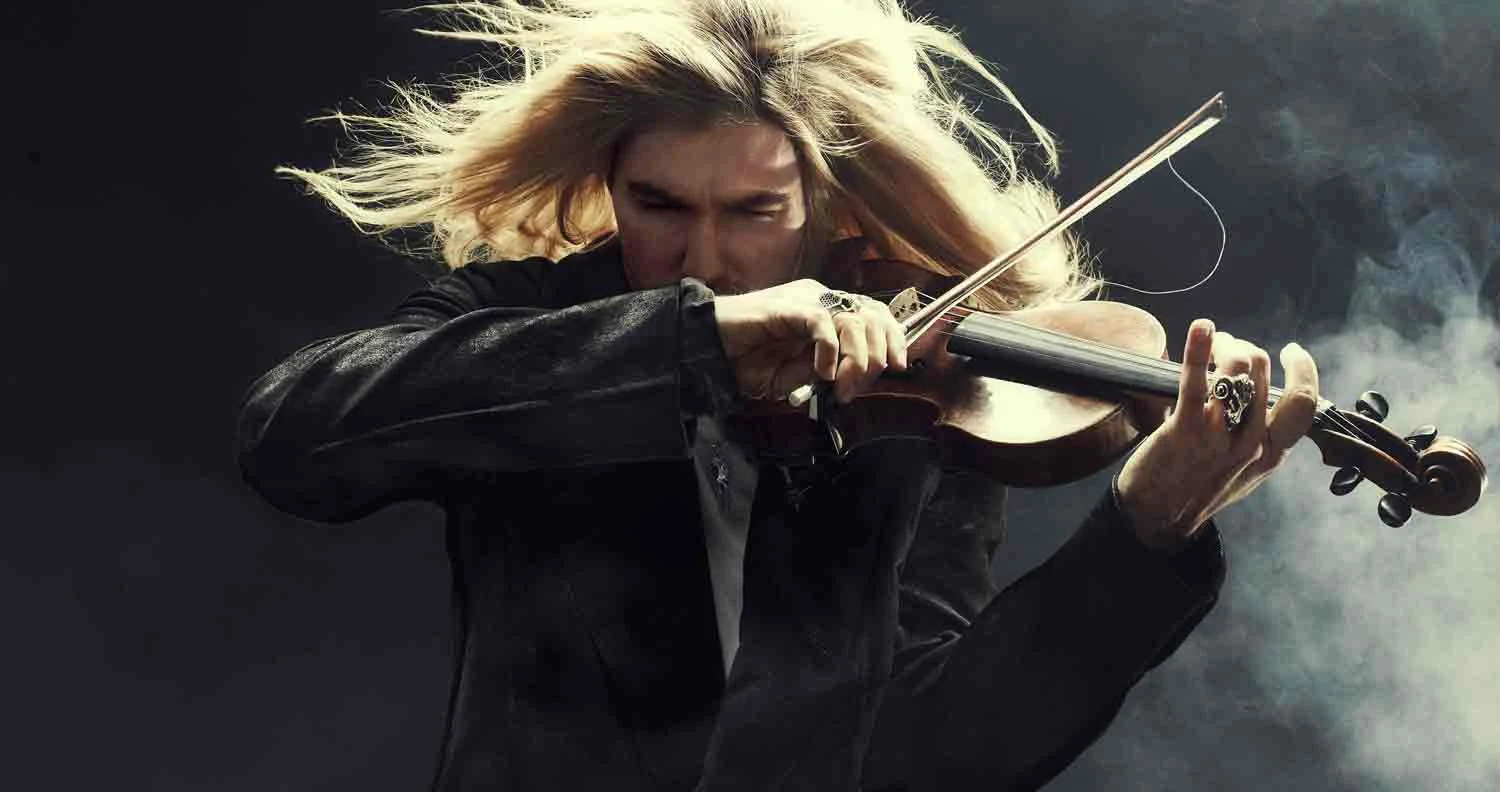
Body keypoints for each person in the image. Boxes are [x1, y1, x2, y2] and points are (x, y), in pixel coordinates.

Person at [236, 1, 1321, 790]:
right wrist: (690, 342)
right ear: (610, 186)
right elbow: (297, 435)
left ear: (825, 201)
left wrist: (1143, 531)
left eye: (754, 211)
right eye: (659, 206)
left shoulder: (912, 394)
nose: (703, 258)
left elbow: (940, 756)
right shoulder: (530, 323)